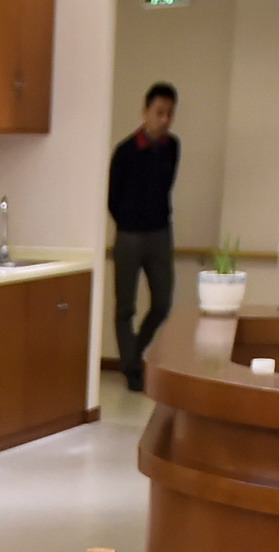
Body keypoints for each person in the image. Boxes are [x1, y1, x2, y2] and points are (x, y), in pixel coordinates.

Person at [108, 82, 181, 392]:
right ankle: (131, 369)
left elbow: (165, 186)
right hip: (129, 236)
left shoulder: (173, 147)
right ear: (145, 112)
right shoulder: (125, 152)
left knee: (163, 303)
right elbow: (113, 198)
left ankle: (134, 355)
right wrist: (128, 222)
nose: (164, 120)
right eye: (159, 112)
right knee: (125, 307)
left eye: (169, 114)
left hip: (160, 234)